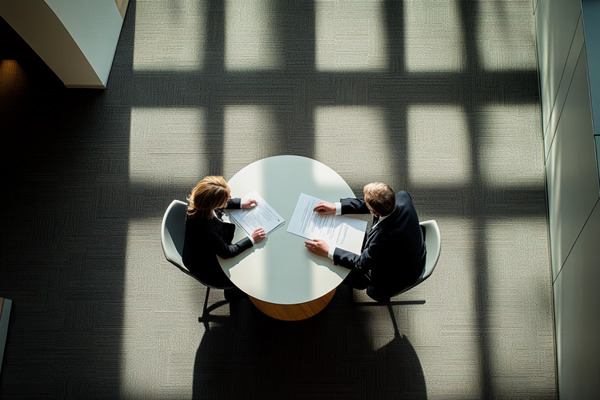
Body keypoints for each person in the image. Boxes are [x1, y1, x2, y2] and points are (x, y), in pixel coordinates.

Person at [304, 182, 426, 302]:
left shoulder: (383, 239)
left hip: (403, 271)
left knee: (338, 269)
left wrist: (328, 251)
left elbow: (361, 265)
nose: (364, 202)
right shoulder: (402, 197)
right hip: (414, 247)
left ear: (374, 212)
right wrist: (337, 208)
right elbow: (371, 204)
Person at [182, 176, 266, 294]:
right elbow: (226, 252)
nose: (230, 198)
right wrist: (251, 239)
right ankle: (235, 296)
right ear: (214, 204)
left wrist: (240, 203)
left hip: (197, 249)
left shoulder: (199, 202)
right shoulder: (205, 227)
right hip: (208, 268)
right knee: (255, 273)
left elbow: (217, 203)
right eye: (226, 199)